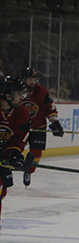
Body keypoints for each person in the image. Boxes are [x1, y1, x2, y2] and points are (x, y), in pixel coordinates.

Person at [19, 67, 63, 187]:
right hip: (19, 127)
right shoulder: (17, 91)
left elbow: (49, 107)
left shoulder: (41, 92)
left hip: (38, 127)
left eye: (34, 79)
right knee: (14, 150)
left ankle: (29, 171)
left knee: (36, 154)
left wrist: (54, 122)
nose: (32, 82)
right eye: (30, 79)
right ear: (24, 79)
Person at [0, 76, 31, 227]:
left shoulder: (21, 113)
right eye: (19, 94)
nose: (22, 98)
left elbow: (18, 138)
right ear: (7, 95)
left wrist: (14, 153)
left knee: (2, 189)